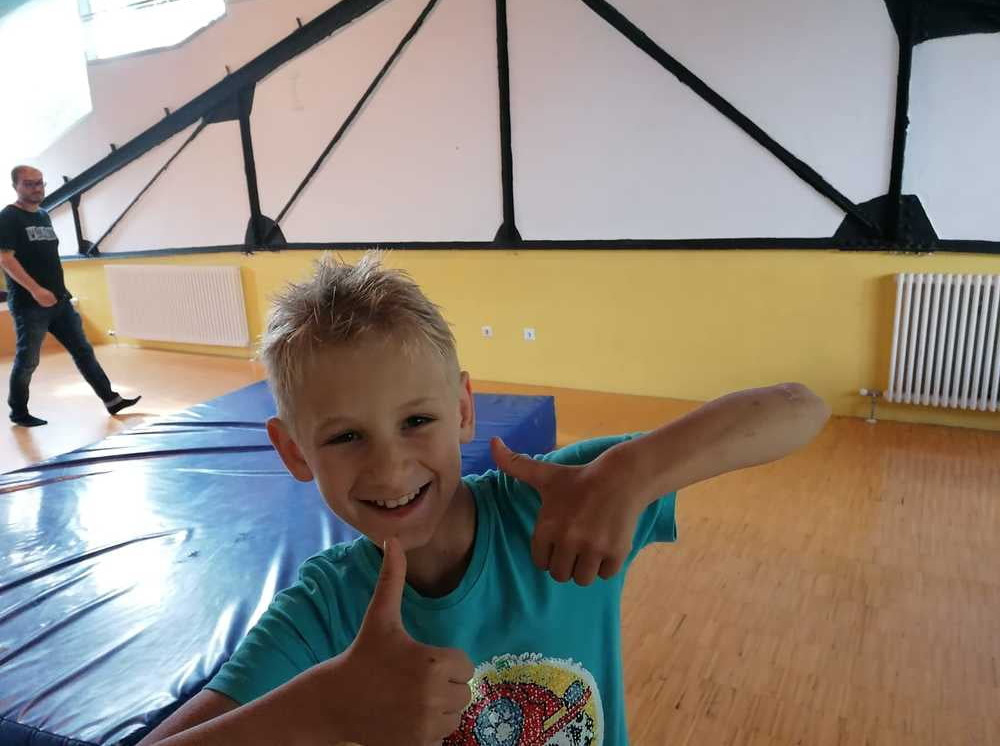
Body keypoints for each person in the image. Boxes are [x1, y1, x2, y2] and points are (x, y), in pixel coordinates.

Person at [137, 252, 830, 746]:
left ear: (464, 409)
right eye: (346, 436)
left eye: (417, 421)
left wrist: (633, 472)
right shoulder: (324, 611)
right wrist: (322, 709)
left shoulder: (557, 505)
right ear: (293, 451)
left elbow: (799, 408)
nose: (389, 466)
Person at [0, 165, 140, 426]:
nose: (36, 188)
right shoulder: (8, 217)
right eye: (29, 184)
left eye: (40, 183)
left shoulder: (43, 215)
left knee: (83, 350)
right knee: (28, 360)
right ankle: (18, 412)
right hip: (29, 305)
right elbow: (5, 259)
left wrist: (57, 291)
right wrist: (35, 290)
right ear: (15, 186)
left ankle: (111, 399)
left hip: (59, 301)